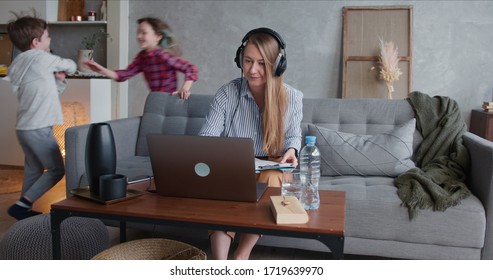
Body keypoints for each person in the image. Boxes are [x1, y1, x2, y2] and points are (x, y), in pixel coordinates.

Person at [199, 27, 303, 259]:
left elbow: (294, 137)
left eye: (261, 63)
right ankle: (219, 262)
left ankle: (241, 256)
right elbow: (207, 138)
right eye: (247, 61)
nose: (253, 70)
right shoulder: (228, 93)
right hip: (233, 167)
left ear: (277, 65)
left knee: (272, 178)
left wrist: (292, 150)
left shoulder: (293, 97)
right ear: (239, 59)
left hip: (271, 167)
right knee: (223, 183)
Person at [4, 13, 77, 220]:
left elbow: (45, 92)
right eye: (47, 36)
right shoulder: (43, 58)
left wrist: (60, 82)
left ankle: (23, 209)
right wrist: (65, 68)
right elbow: (70, 65)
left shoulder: (18, 63)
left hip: (24, 129)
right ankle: (23, 204)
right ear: (36, 42)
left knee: (34, 169)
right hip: (39, 128)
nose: (50, 39)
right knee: (56, 170)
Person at [84, 17, 198, 100]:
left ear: (157, 37)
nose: (139, 36)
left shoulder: (163, 56)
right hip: (154, 101)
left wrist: (185, 89)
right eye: (138, 32)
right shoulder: (142, 57)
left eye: (144, 33)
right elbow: (123, 75)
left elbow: (191, 68)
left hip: (169, 102)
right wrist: (100, 70)